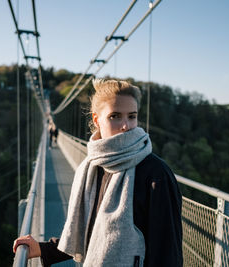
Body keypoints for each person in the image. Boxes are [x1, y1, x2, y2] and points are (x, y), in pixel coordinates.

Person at [13, 79, 183, 266]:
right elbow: (90, 233)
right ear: (96, 120)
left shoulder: (156, 173)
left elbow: (168, 254)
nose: (126, 125)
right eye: (115, 116)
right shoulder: (91, 167)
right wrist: (44, 249)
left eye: (132, 116)